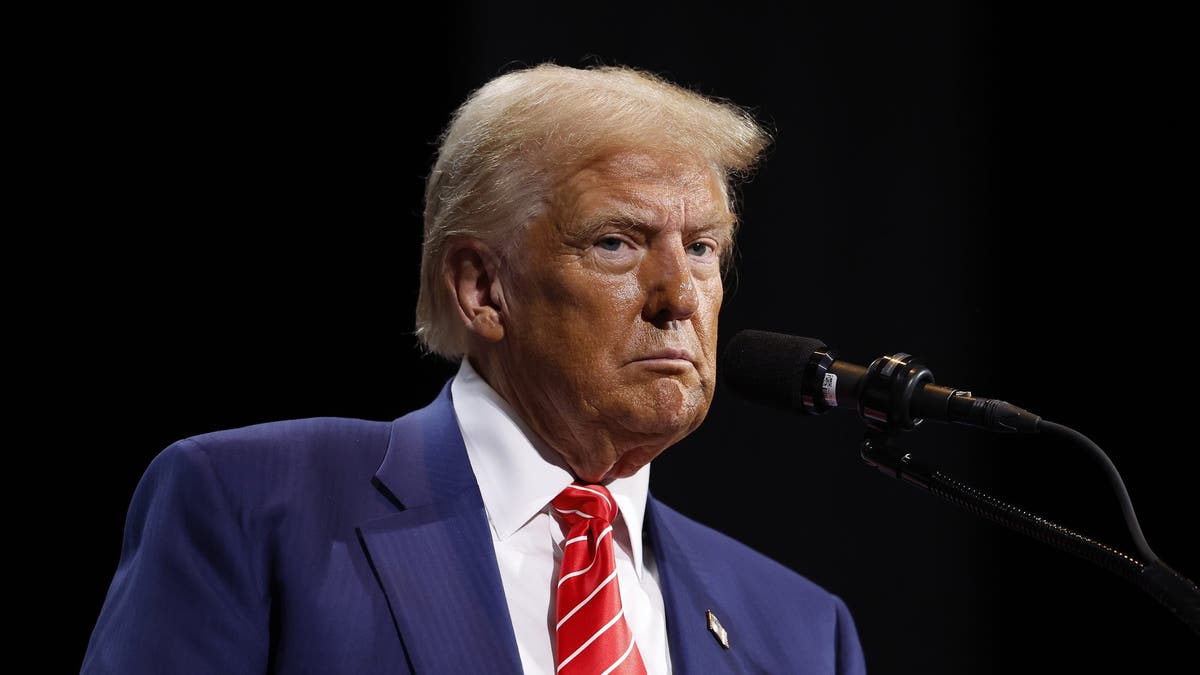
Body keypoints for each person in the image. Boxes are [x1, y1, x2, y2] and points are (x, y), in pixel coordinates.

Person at [82, 63, 866, 674]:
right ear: (482, 287)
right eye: (616, 243)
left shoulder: (800, 630)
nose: (677, 296)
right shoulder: (253, 508)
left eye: (701, 247)